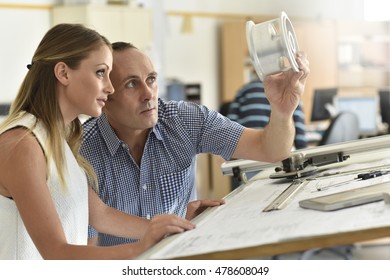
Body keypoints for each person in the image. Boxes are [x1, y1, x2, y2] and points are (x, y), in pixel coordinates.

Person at [80, 42, 310, 246]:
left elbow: (271, 150)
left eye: (151, 79)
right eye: (131, 84)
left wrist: (282, 111)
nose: (148, 93)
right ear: (105, 96)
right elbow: (87, 253)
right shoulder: (82, 151)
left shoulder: (185, 120)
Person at [0, 24, 195, 260]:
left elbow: (100, 215)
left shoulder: (58, 138)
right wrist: (140, 248)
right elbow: (56, 253)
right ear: (63, 73)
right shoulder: (22, 143)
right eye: (101, 72)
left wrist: (174, 226)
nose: (110, 88)